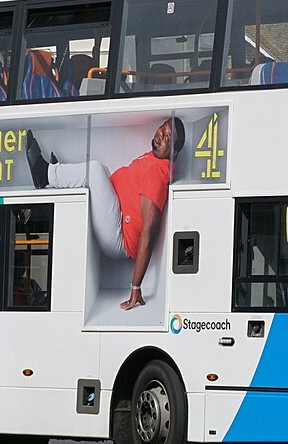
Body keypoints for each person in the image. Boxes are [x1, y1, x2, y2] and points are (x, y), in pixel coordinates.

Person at [25, 118, 185, 311]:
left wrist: (135, 286)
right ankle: (60, 177)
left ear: (174, 153)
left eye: (168, 136)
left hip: (118, 238)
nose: (161, 134)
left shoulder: (156, 176)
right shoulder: (157, 158)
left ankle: (44, 175)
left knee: (95, 171)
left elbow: (149, 234)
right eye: (163, 128)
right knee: (104, 174)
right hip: (118, 215)